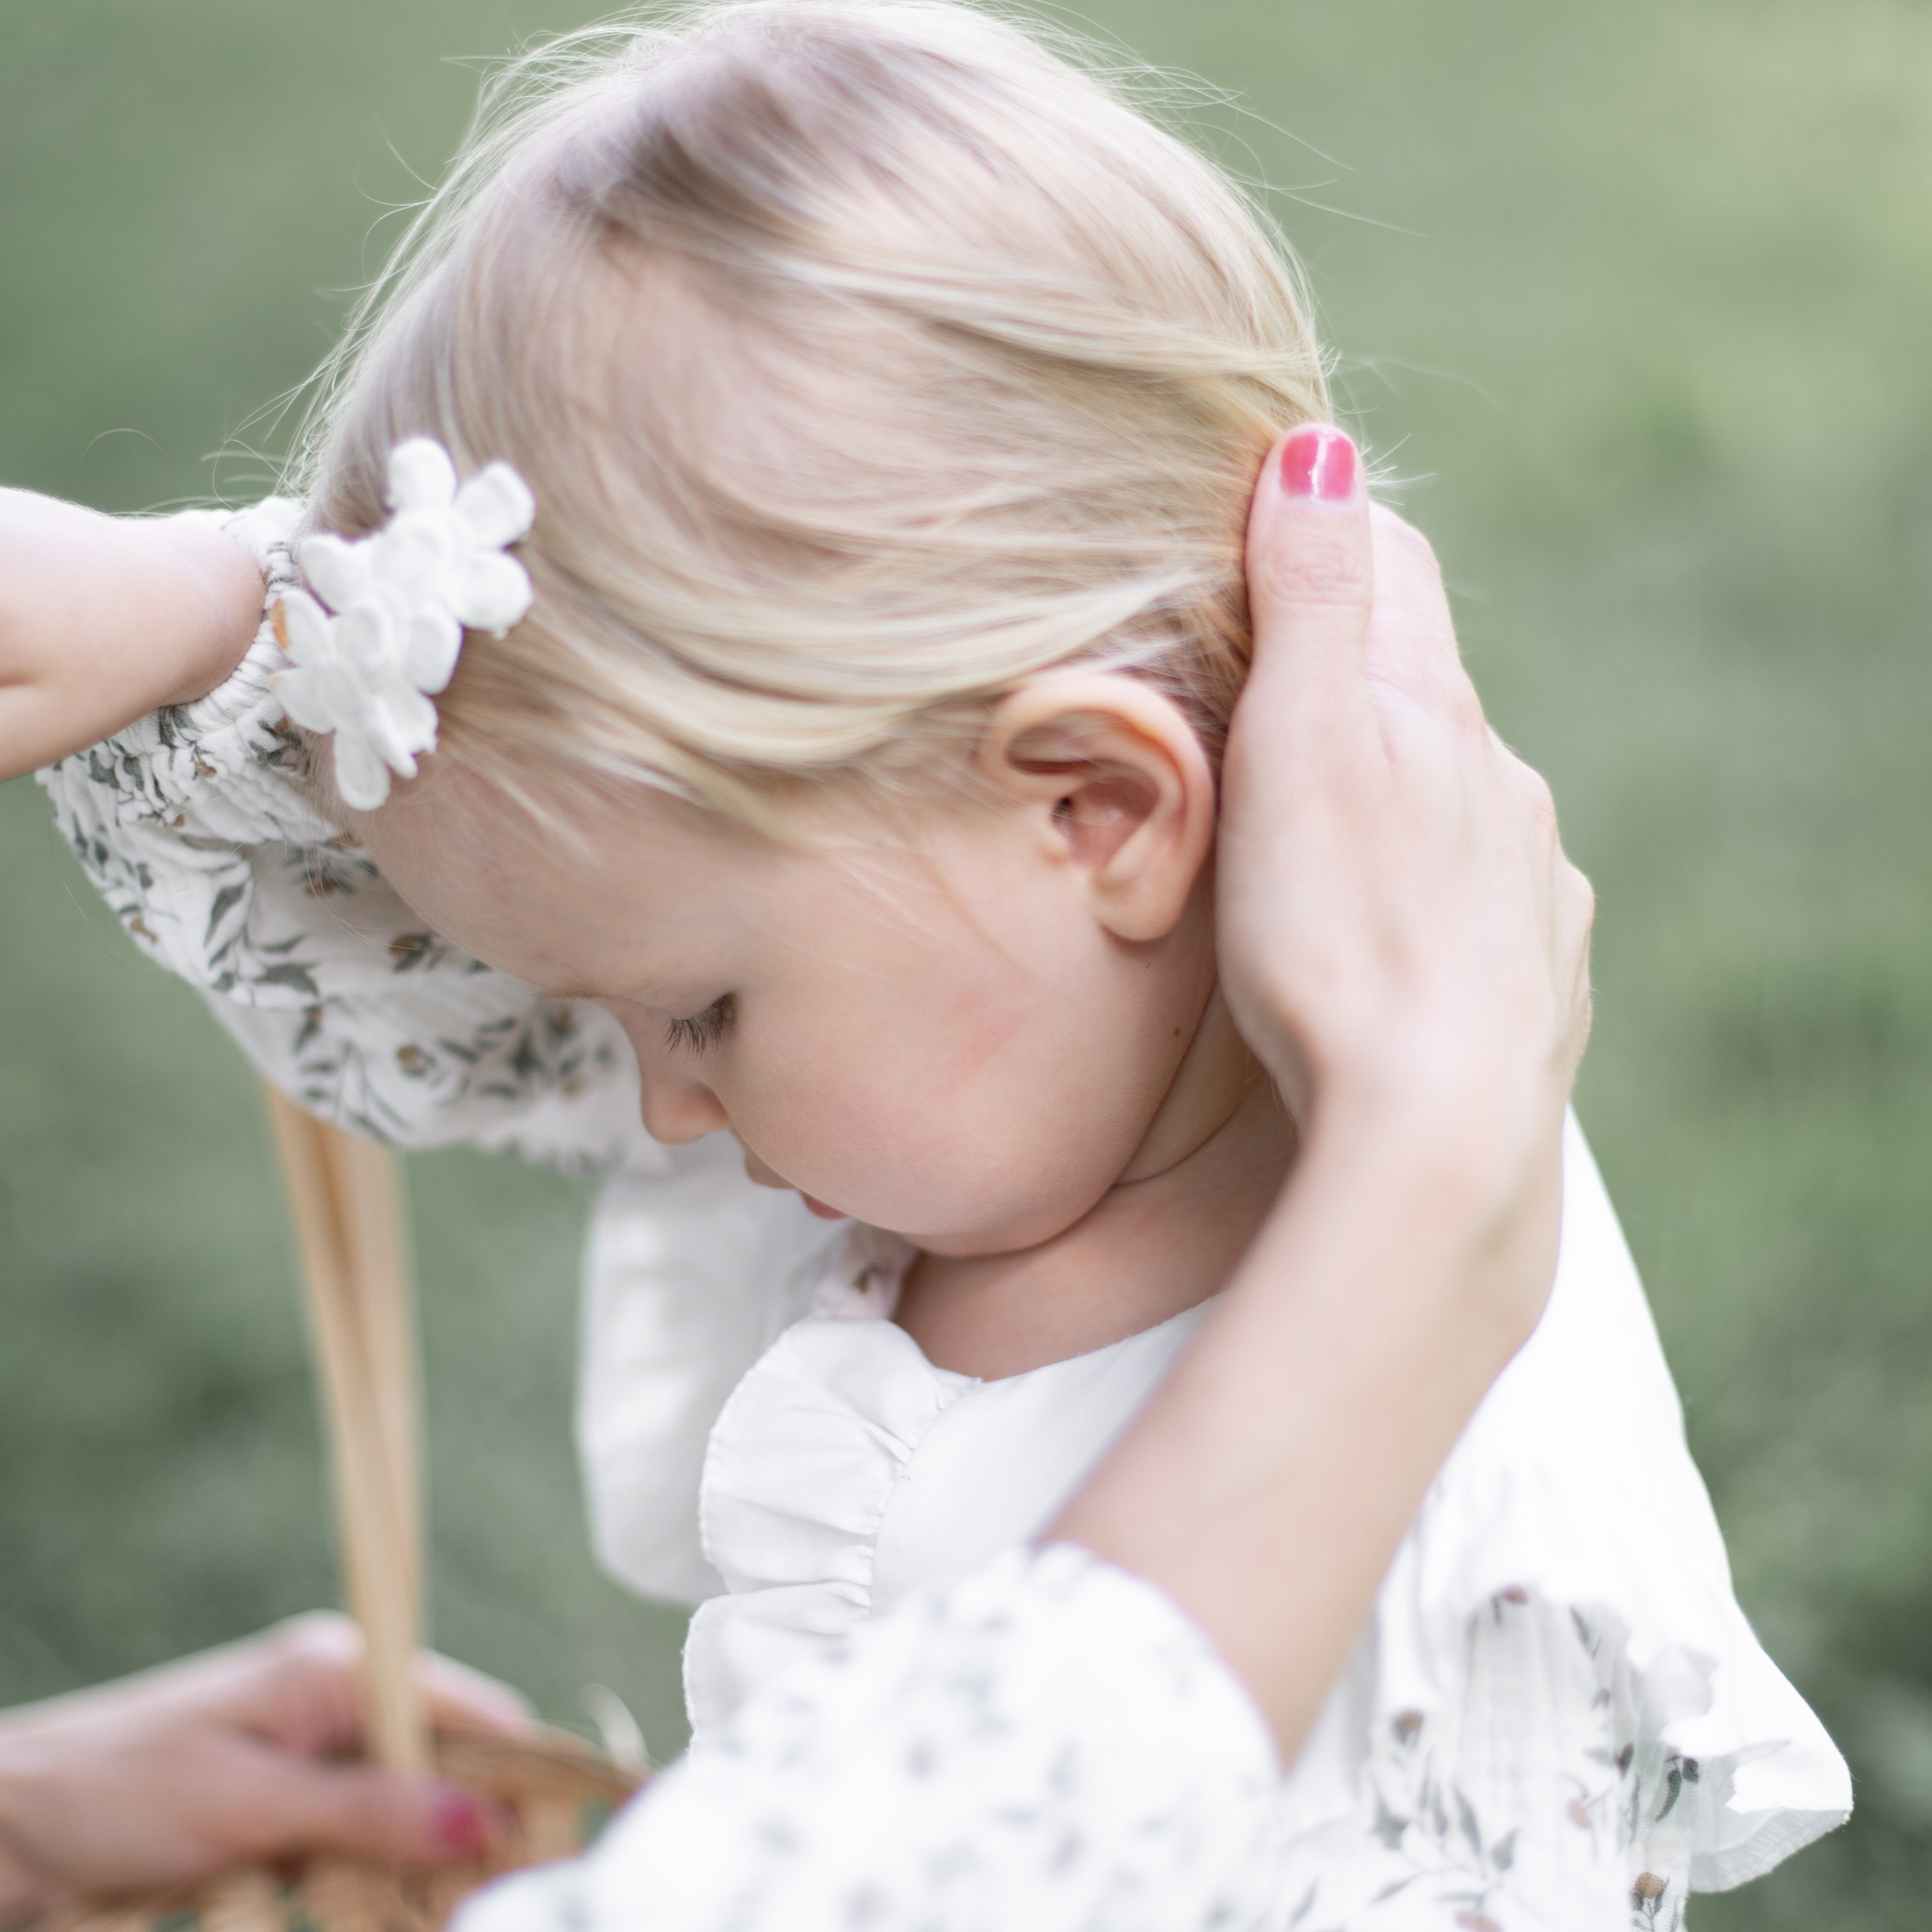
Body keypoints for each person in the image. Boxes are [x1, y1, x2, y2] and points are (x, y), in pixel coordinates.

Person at [0, 4, 1847, 1925]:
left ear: (1093, 813)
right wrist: (254, 616)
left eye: (698, 1009)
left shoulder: (1445, 1574)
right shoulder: (1024, 1062)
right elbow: (466, 911)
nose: (658, 1100)